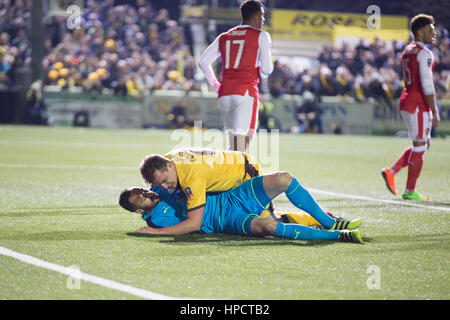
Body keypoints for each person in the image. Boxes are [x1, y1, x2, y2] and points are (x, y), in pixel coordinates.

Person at [119, 172, 363, 243]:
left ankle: (328, 220)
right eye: (140, 198)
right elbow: (188, 227)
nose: (145, 193)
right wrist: (155, 233)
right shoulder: (156, 221)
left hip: (232, 196)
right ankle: (338, 235)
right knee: (269, 226)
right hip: (226, 219)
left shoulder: (162, 185)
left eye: (141, 190)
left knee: (283, 179)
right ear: (140, 211)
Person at [198, 0, 273, 152]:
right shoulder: (262, 36)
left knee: (234, 145)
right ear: (256, 16)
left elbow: (203, 62)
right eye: (262, 15)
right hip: (246, 93)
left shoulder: (224, 36)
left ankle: (220, 169)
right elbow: (267, 70)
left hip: (224, 93)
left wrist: (216, 85)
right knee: (241, 147)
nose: (264, 19)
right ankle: (215, 169)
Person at [381, 14, 440, 201]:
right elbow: (427, 84)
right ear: (420, 31)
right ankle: (410, 190)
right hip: (418, 103)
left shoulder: (408, 50)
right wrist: (435, 111)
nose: (434, 33)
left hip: (407, 99)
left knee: (421, 144)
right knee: (420, 145)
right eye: (430, 30)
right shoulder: (425, 53)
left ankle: (391, 171)